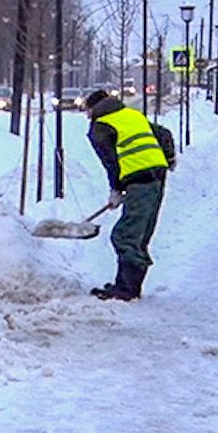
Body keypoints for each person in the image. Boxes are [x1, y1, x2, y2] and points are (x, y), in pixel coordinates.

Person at [83, 88, 173, 301]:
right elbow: (164, 134)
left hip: (139, 180)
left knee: (125, 236)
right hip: (157, 177)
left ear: (93, 107)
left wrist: (115, 188)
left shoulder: (100, 127)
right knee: (139, 234)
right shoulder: (132, 115)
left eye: (86, 110)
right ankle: (128, 285)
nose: (86, 115)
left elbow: (110, 161)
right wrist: (168, 159)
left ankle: (127, 289)